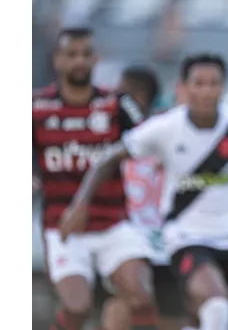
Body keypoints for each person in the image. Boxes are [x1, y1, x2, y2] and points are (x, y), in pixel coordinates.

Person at [60, 53, 228, 330]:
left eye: (213, 83)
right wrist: (80, 204)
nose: (206, 91)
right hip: (188, 238)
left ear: (224, 87)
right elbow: (108, 160)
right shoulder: (165, 128)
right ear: (185, 87)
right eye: (199, 83)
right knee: (216, 308)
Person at [33, 28, 156, 330]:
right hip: (63, 226)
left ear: (95, 59)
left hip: (113, 222)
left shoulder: (117, 104)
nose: (79, 61)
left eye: (86, 54)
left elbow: (152, 139)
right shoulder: (34, 106)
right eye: (71, 54)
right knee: (77, 308)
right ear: (57, 60)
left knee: (140, 297)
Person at [118, 66, 190, 330]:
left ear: (137, 94)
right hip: (130, 238)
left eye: (121, 92)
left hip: (165, 239)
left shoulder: (165, 131)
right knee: (122, 309)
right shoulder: (118, 132)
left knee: (172, 316)